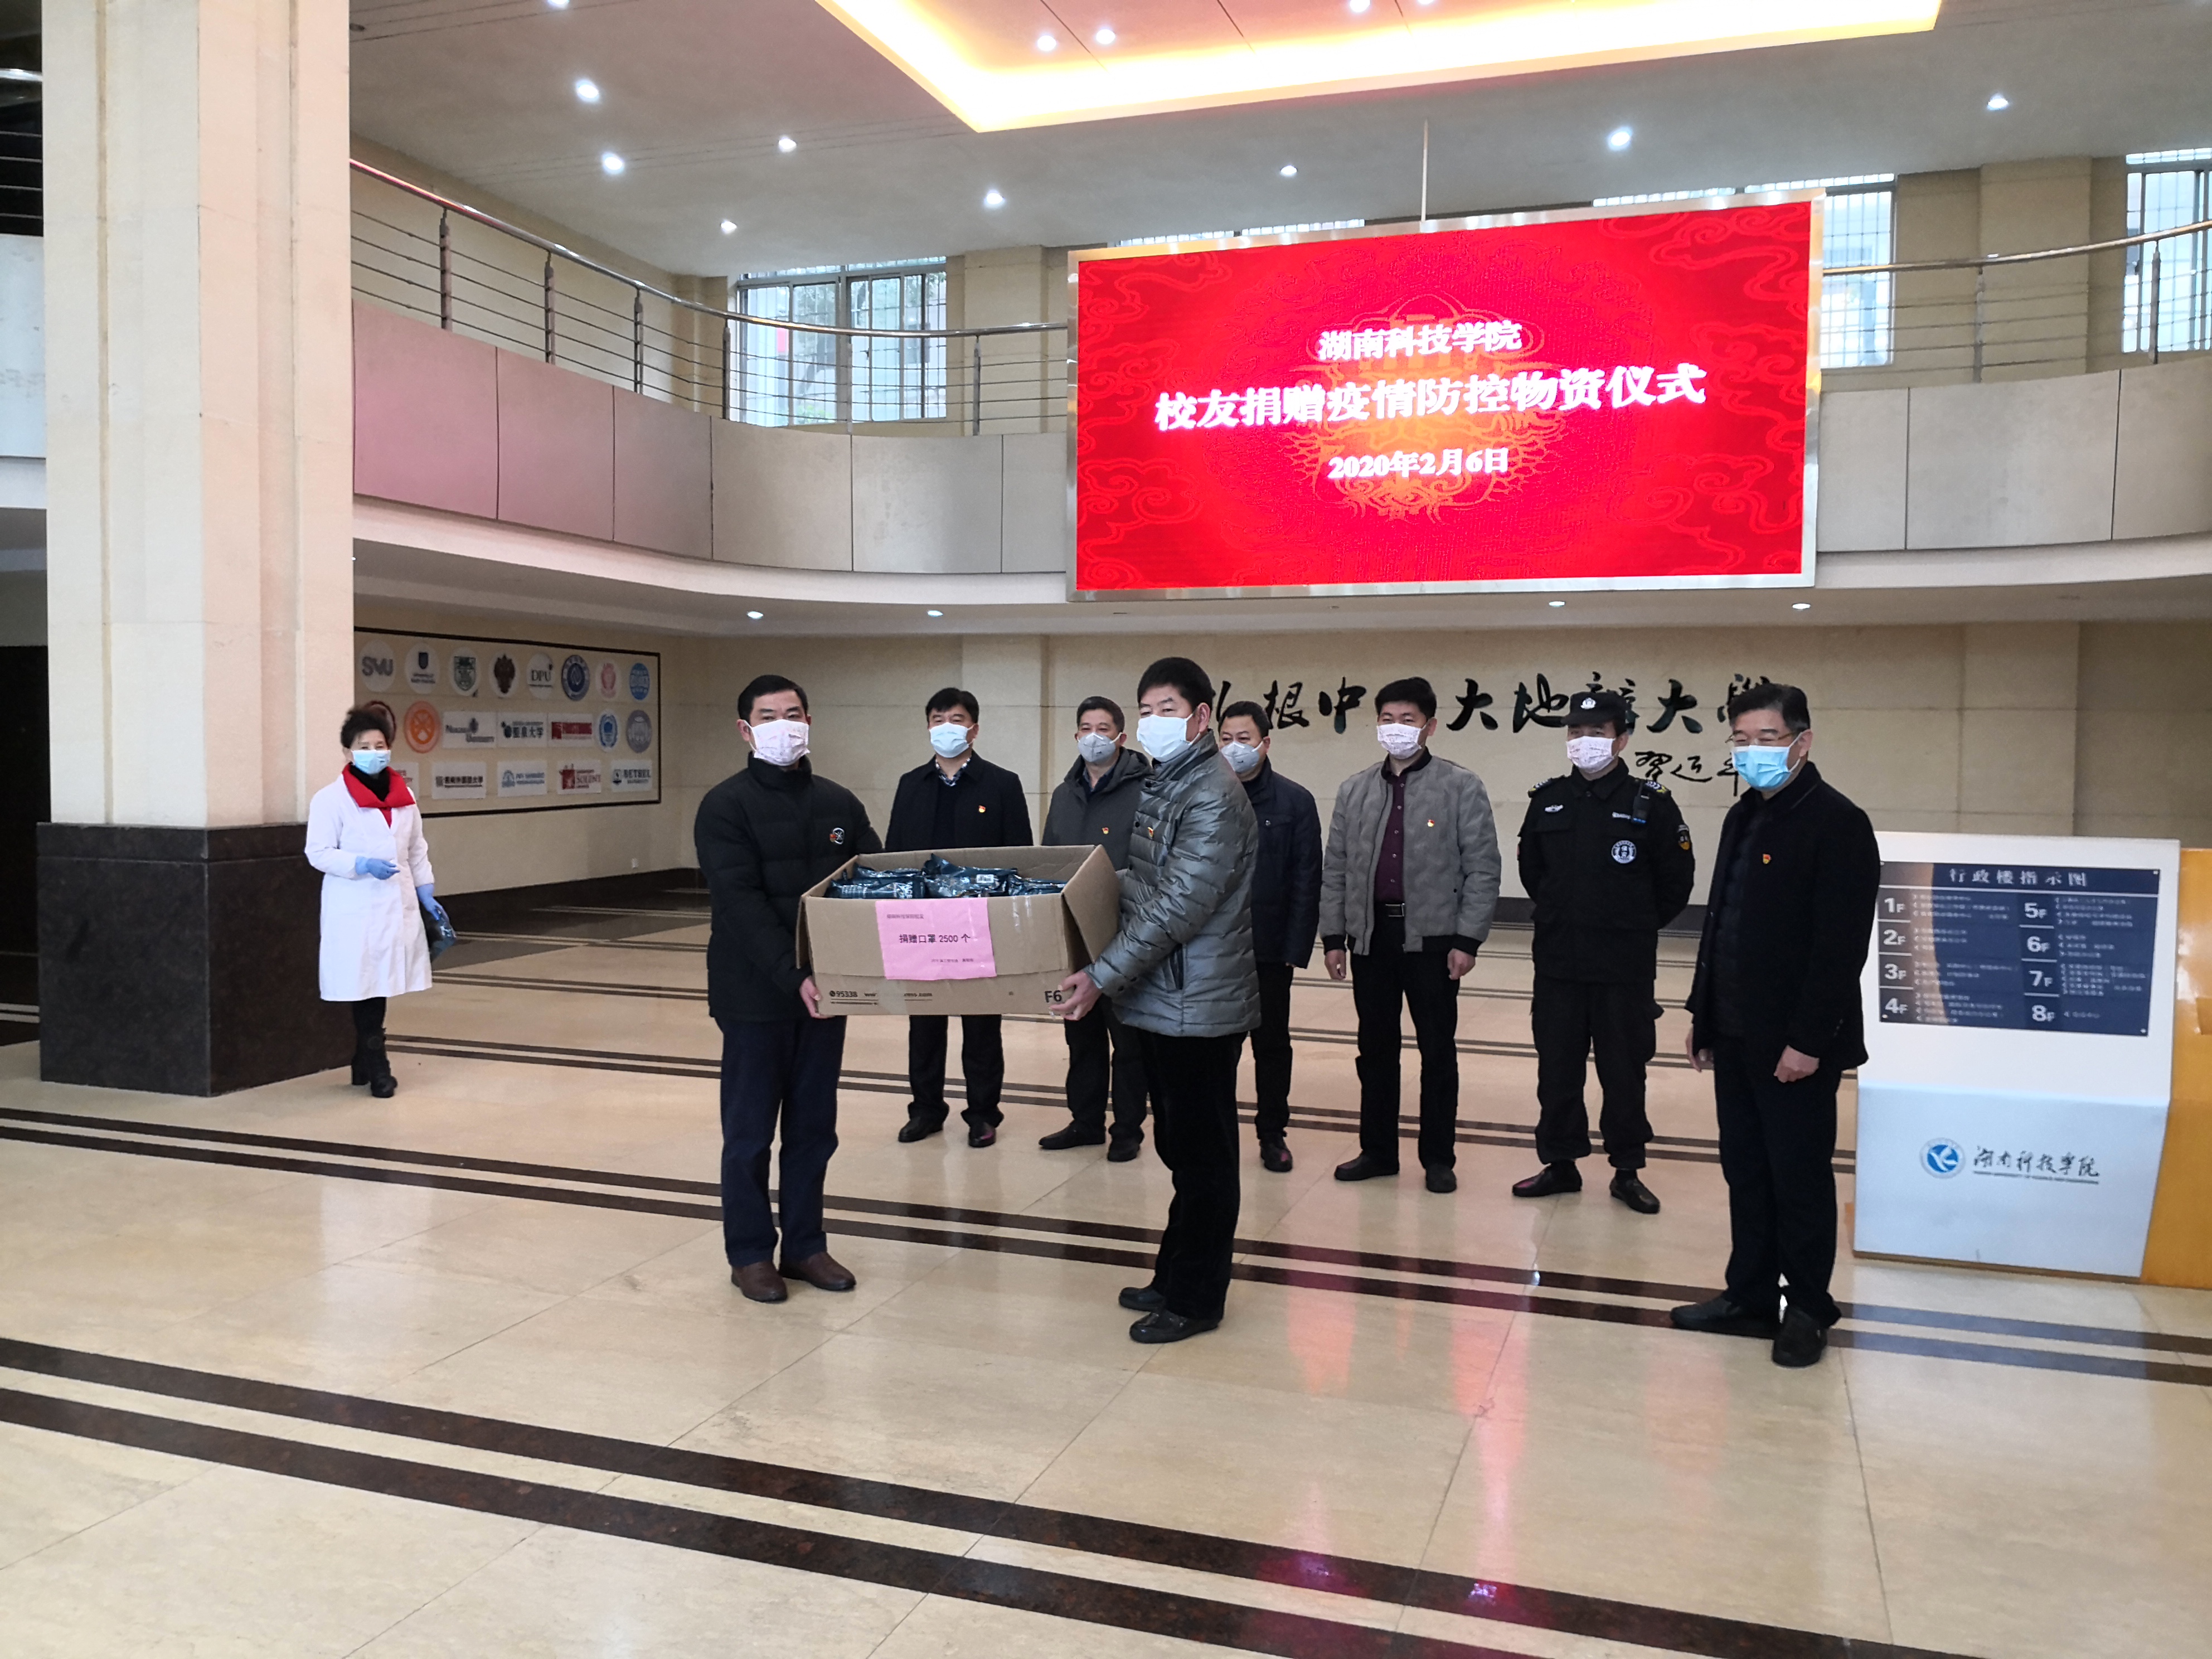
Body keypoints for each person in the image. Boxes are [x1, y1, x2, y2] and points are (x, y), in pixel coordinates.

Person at [1671, 682, 1880, 1369]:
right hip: (1734, 1031)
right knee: (1746, 1171)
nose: (1751, 751)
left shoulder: (1836, 822)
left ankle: (1809, 1309)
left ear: (1801, 741)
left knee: (1798, 1177)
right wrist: (1702, 1013)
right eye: (1740, 740)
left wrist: (1807, 1042)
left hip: (1794, 1045)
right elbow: (1721, 923)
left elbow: (1838, 950)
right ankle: (1750, 1295)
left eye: (1766, 739)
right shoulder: (1743, 815)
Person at [1055, 657, 1257, 1344]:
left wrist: (1101, 975)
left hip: (1199, 1001)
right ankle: (1174, 1275)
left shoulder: (1212, 794)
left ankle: (1197, 1299)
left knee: (1202, 1157)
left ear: (1200, 717)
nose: (1152, 722)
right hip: (1166, 996)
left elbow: (1177, 906)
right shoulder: (1169, 781)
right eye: (1145, 710)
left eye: (1166, 709)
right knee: (1179, 1146)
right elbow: (1144, 882)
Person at [696, 673, 881, 1305]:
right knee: (750, 1133)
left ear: (809, 722)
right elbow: (740, 903)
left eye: (793, 714)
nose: (784, 726)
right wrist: (792, 974)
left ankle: (805, 1245)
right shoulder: (725, 806)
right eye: (769, 717)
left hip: (826, 994)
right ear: (745, 730)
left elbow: (872, 884)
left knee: (813, 1128)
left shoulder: (840, 803)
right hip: (755, 994)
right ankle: (749, 1253)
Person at [1511, 690, 1695, 1214]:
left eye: (1596, 733)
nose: (1583, 741)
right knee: (1557, 1070)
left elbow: (1675, 883)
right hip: (1559, 963)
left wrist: (1631, 925)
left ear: (1622, 740)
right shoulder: (1548, 800)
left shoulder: (1651, 803)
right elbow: (1533, 873)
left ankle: (1627, 1170)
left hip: (1623, 967)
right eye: (1575, 732)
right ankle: (1561, 1163)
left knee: (1624, 1072)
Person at [1320, 677, 1500, 1194]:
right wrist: (1334, 937)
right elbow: (1337, 869)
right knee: (1375, 1050)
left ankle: (1438, 1158)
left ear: (1430, 727)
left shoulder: (1460, 786)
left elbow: (1483, 868)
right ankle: (1377, 1151)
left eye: (1407, 720)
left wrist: (1468, 941)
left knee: (1437, 1051)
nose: (1396, 729)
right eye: (1387, 719)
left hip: (1434, 941)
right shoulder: (1354, 790)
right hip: (1372, 938)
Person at [885, 687, 1034, 1149]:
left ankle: (983, 1113)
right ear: (927, 726)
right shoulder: (911, 784)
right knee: (924, 1023)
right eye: (937, 719)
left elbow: (1019, 857)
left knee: (982, 1024)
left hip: (979, 922)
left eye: (956, 719)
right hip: (922, 921)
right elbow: (894, 855)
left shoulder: (1002, 784)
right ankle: (926, 1110)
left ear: (974, 728)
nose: (946, 727)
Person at [305, 706, 442, 1100]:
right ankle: (377, 1063)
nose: (373, 753)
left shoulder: (404, 797)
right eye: (363, 746)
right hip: (355, 905)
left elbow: (416, 848)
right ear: (347, 752)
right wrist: (359, 864)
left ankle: (363, 1058)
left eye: (379, 745)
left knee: (378, 981)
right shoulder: (331, 800)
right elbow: (318, 852)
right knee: (365, 982)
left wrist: (426, 890)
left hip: (395, 903)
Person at [1039, 695, 1153, 1159]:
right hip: (1075, 937)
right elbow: (1048, 859)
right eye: (1086, 728)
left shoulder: (1147, 790)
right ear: (1075, 736)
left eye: (1103, 729)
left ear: (1121, 738)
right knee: (1081, 1035)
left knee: (1128, 1041)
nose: (1093, 737)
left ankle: (1127, 1130)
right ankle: (1085, 1122)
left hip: (1126, 934)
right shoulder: (1064, 794)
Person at [1217, 700, 1322, 1173]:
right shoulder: (1204, 796)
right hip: (1214, 950)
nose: (1234, 748)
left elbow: (1307, 878)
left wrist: (1295, 949)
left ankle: (1272, 1133)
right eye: (1226, 739)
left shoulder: (1295, 802)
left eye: (1244, 739)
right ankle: (1217, 1131)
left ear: (1265, 743)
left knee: (1272, 1046)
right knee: (1217, 1049)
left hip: (1269, 948)